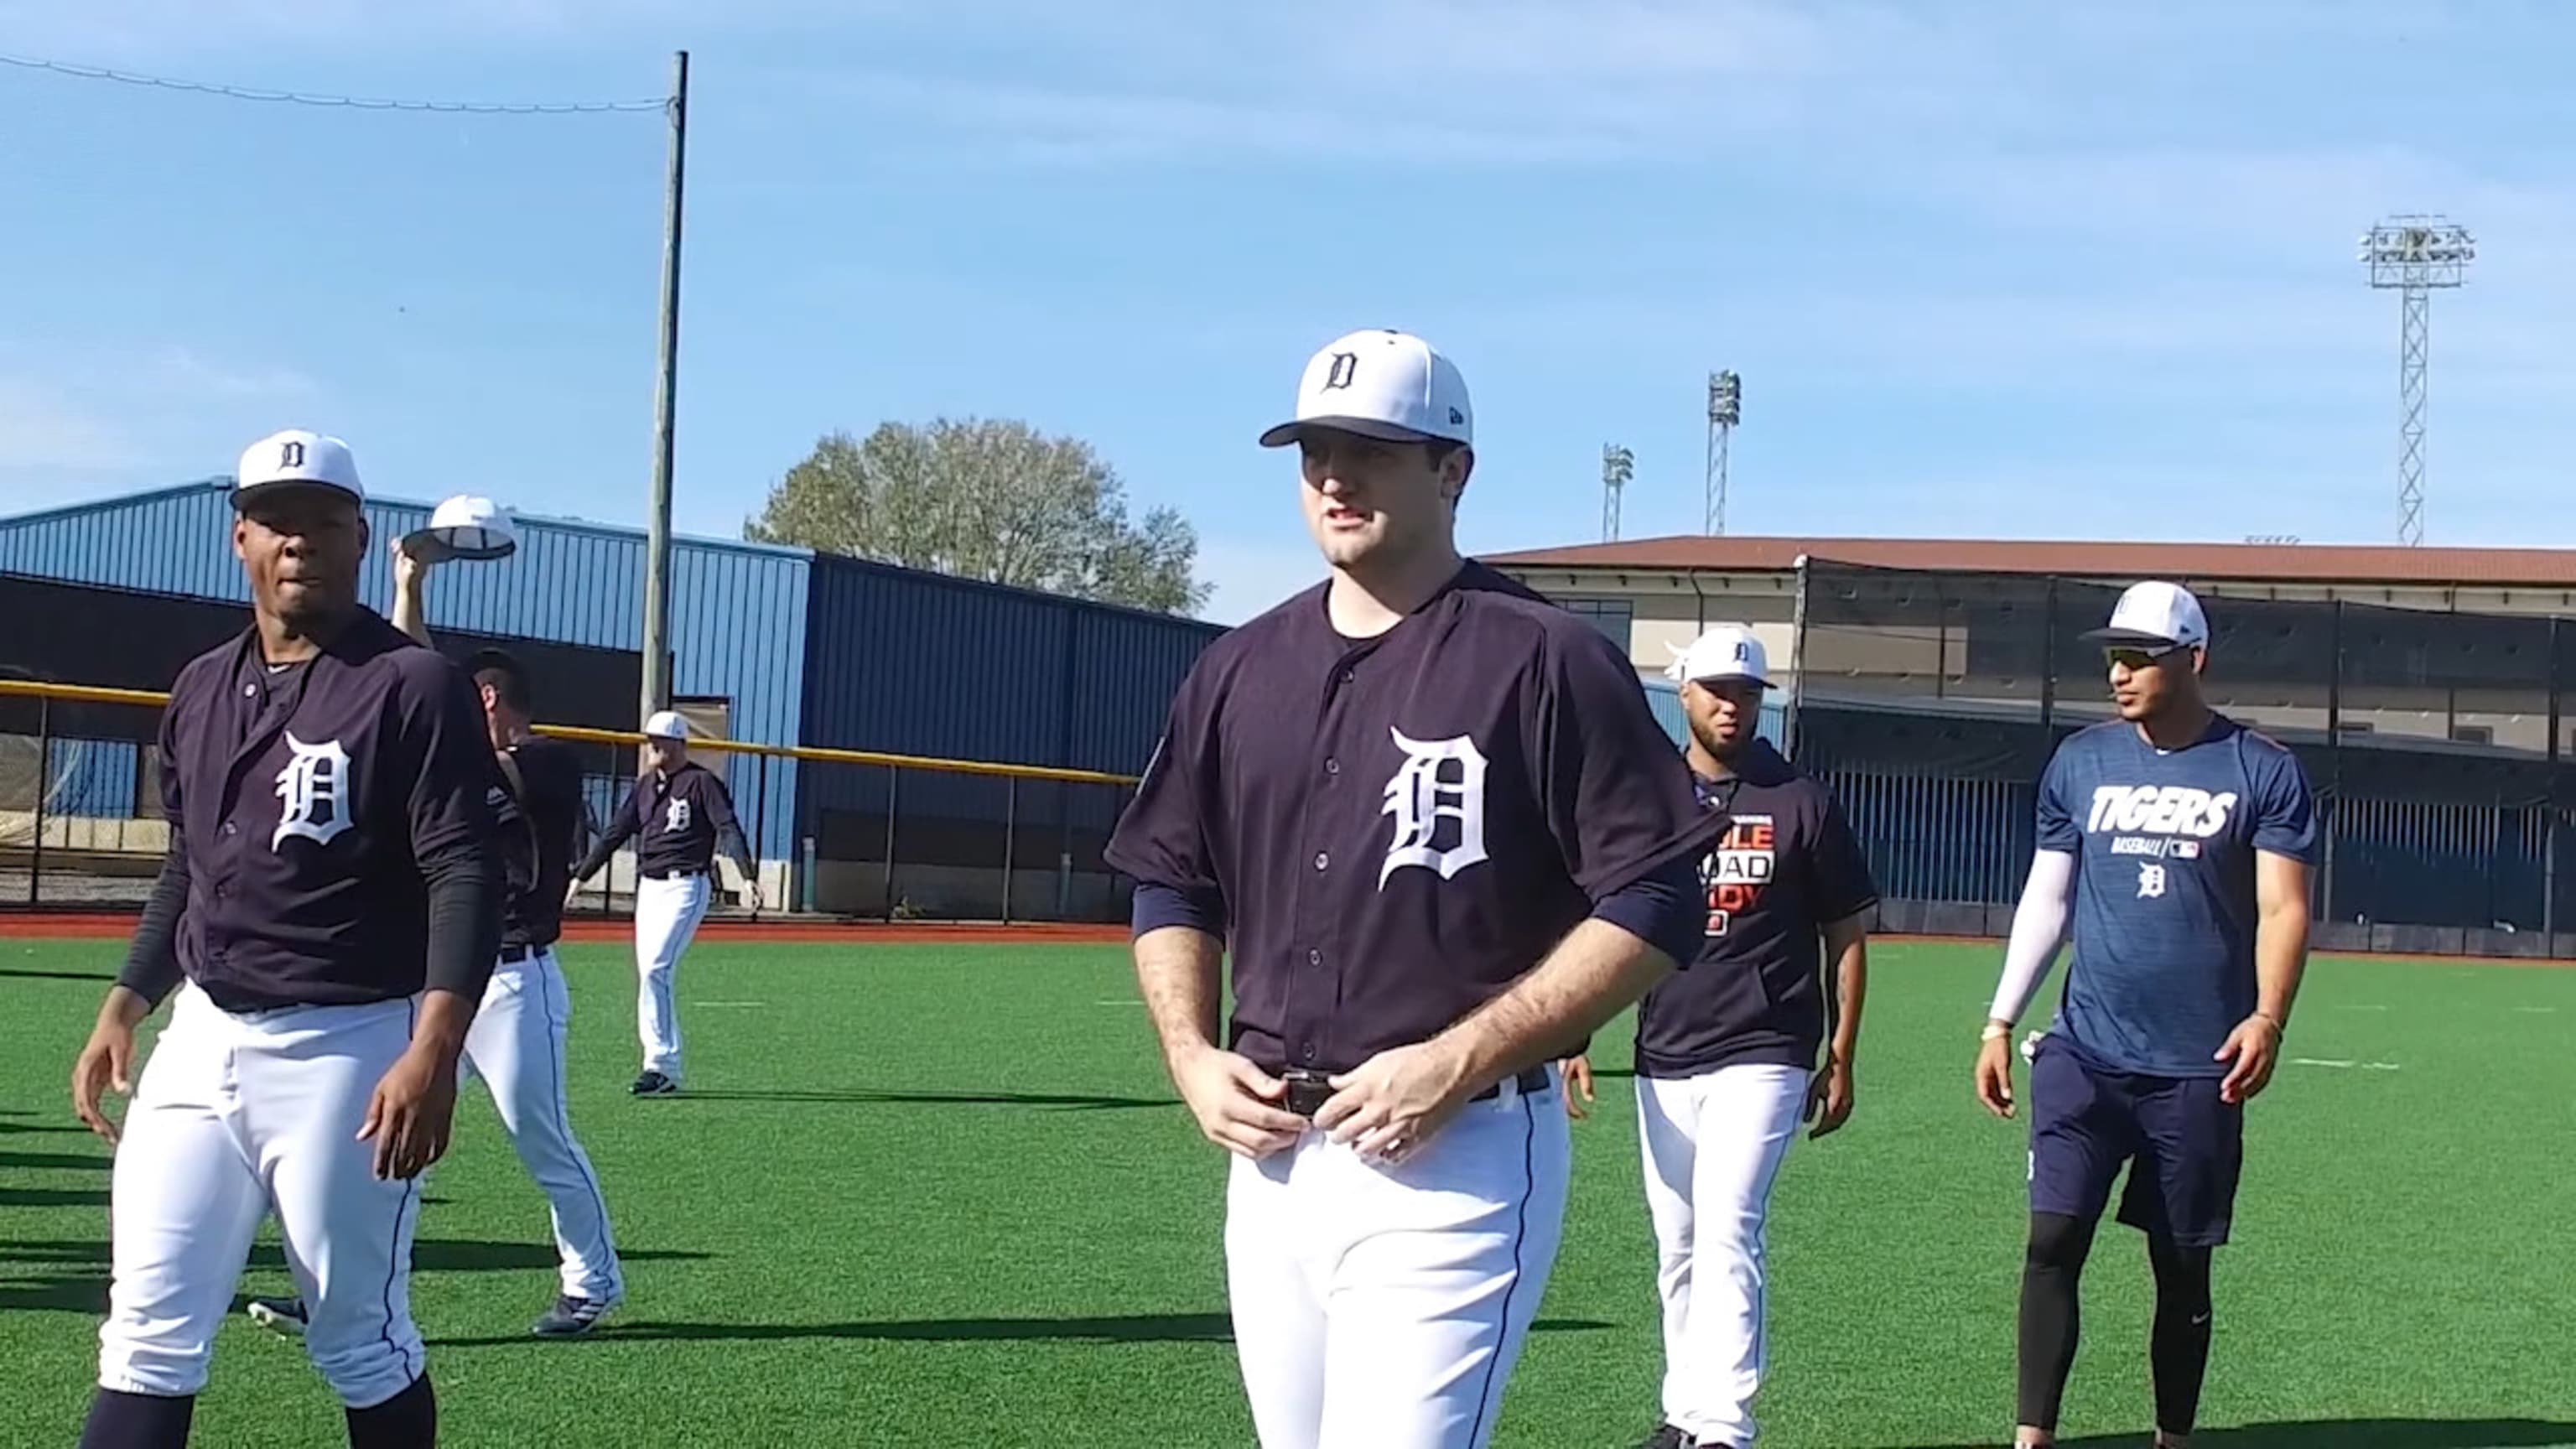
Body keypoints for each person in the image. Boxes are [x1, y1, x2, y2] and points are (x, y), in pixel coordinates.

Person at [1101, 327, 1722, 1449]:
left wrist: (1460, 1058)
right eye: (1316, 451)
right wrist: (1190, 1056)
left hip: (1458, 1158)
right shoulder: (1238, 668)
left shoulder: (1545, 657)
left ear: (1453, 471)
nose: (1336, 476)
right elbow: (1170, 885)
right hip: (1276, 1157)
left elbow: (1658, 899)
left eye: (1375, 450)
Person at [68, 428, 504, 1448]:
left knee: (358, 1338)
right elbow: (193, 866)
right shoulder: (201, 686)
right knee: (145, 1336)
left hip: (349, 1047)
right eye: (276, 521)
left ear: (360, 539)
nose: (296, 540)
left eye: (319, 521)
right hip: (205, 1036)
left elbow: (464, 871)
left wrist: (433, 1050)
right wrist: (127, 1001)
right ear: (240, 540)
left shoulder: (413, 684)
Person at [243, 543, 625, 1340]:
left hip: (516, 984)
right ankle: (334, 1291)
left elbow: (420, 704)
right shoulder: (448, 759)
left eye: (465, 697)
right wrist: (407, 586)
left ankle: (593, 1283)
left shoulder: (548, 763)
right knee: (377, 1138)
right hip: (434, 982)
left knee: (541, 1138)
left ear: (487, 702)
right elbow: (407, 696)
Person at [1976, 580, 2317, 1449]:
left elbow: (2284, 910)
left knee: (2180, 1266)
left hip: (2199, 1066)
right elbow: (2047, 897)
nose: (2119, 674)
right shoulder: (2081, 761)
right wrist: (2000, 1018)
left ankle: (2173, 1436)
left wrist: (2268, 1017)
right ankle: (2033, 1436)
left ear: (2192, 660)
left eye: (2139, 658)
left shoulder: (2262, 768)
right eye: (2112, 658)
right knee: (2051, 1238)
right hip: (2086, 1053)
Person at [1561, 626, 1877, 1449]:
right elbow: (1603, 921)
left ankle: (1726, 1427)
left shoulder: (1800, 799)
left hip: (1767, 1046)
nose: (1731, 704)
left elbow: (1847, 932)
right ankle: (1684, 1413)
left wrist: (1841, 1051)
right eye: (1715, 689)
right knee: (1679, 1242)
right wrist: (1576, 1031)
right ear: (1685, 693)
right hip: (1665, 1050)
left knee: (1731, 1220)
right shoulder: (1647, 800)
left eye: (1745, 691)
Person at [569, 711, 758, 1096]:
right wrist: (581, 876)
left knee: (657, 967)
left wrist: (748, 874)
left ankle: (663, 1066)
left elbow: (728, 828)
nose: (652, 746)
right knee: (649, 974)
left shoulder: (701, 783)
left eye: (660, 740)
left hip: (685, 885)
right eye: (649, 739)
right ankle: (655, 1066)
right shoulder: (644, 788)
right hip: (650, 888)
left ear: (679, 743)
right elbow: (614, 834)